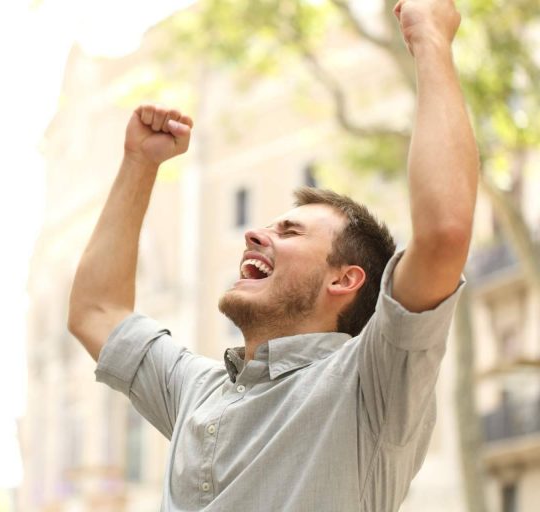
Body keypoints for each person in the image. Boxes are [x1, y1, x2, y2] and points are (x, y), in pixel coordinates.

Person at [67, 0, 478, 510]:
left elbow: (443, 235)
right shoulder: (198, 390)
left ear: (344, 280)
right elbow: (96, 312)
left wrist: (431, 39)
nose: (255, 236)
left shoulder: (370, 385)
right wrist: (138, 164)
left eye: (289, 231)